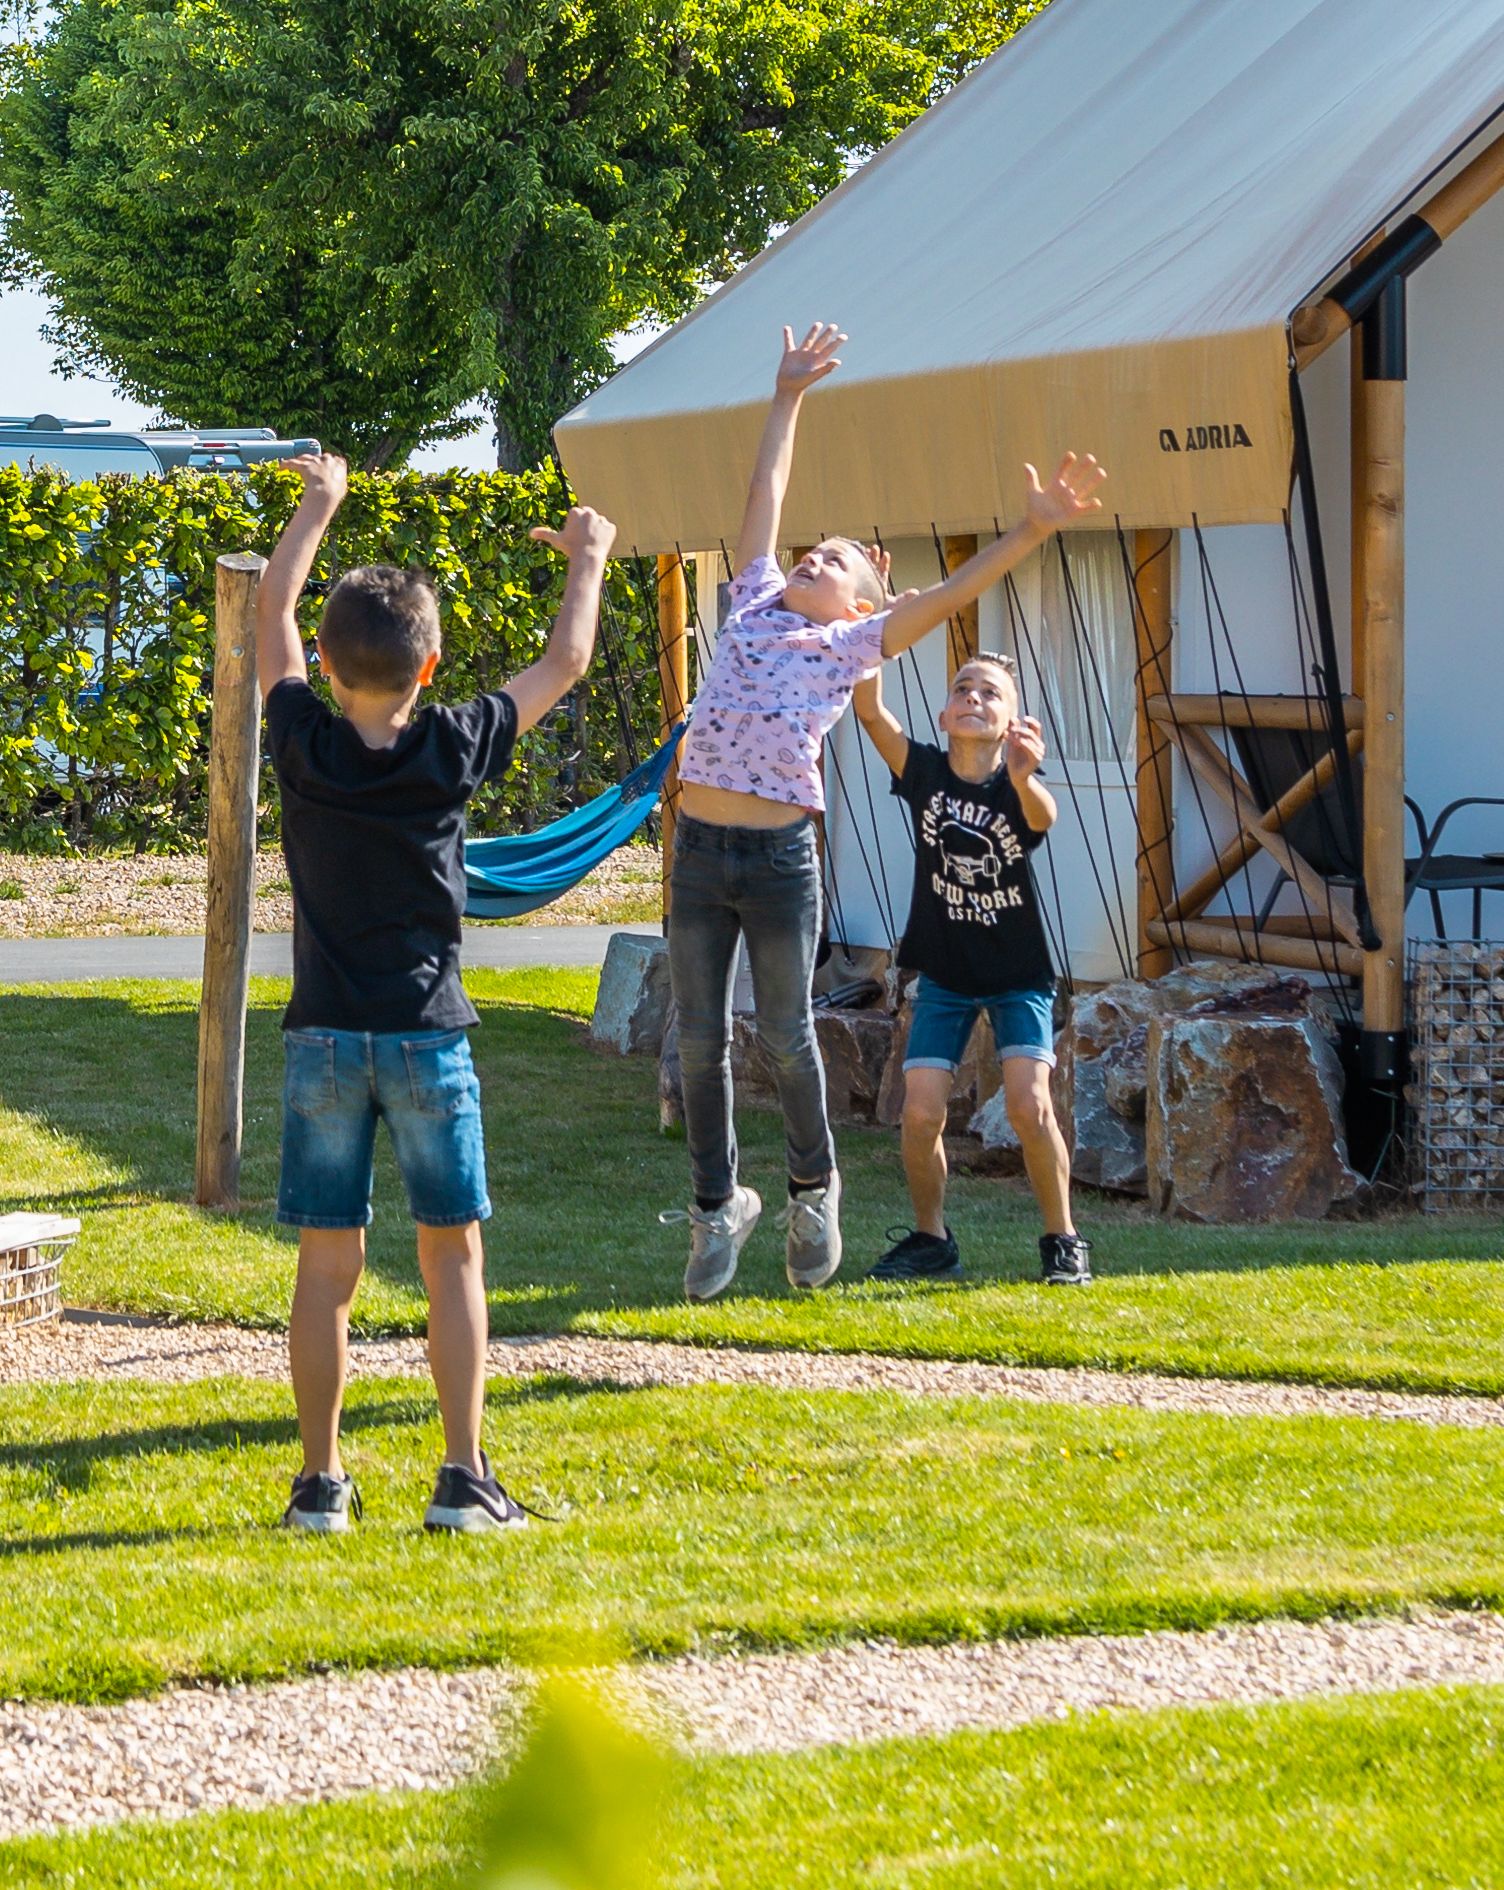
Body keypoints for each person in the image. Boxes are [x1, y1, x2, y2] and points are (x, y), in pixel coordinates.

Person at [658, 322, 1105, 1298]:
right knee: (697, 1037)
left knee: (783, 1033)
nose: (812, 558)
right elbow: (763, 494)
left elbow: (945, 595)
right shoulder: (750, 601)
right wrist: (788, 395)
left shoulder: (853, 648)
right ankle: (714, 1204)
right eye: (809, 553)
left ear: (862, 603)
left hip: (777, 864)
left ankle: (812, 1191)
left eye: (833, 562)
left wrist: (1030, 531)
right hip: (699, 851)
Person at [246, 444, 614, 1535]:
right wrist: (586, 556)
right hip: (427, 1039)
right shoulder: (454, 746)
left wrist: (322, 501)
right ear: (433, 661)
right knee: (450, 1253)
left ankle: (320, 1485)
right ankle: (462, 1476)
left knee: (327, 1265)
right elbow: (568, 660)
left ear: (323, 654)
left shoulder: (301, 740)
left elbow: (269, 606)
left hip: (323, 1038)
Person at [850, 648, 1081, 1282]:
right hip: (945, 973)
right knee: (921, 1112)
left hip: (1017, 975)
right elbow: (869, 710)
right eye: (963, 689)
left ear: (1011, 722)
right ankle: (932, 1240)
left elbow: (1043, 816)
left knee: (1029, 1107)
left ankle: (1062, 1240)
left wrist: (1027, 774)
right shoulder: (923, 771)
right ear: (947, 712)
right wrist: (873, 632)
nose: (974, 698)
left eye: (990, 692)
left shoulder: (1017, 786)